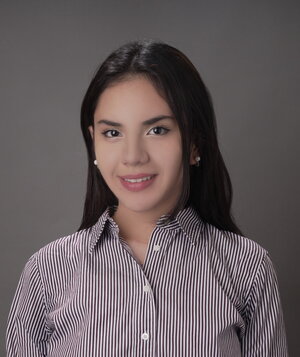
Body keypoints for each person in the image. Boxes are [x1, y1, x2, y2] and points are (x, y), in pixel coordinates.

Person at [6, 40, 289, 356]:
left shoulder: (248, 269)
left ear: (195, 142)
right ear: (93, 142)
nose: (132, 156)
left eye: (157, 130)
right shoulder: (46, 272)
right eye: (113, 133)